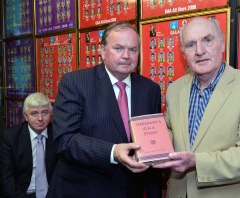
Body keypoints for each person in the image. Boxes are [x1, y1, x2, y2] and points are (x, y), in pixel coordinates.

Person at [153, 17, 240, 198]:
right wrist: (152, 146)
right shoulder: (175, 89)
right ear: (183, 53)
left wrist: (197, 162)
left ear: (222, 44)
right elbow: (171, 130)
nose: (199, 51)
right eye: (190, 45)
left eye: (207, 40)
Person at [47, 22, 162, 198]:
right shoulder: (75, 83)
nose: (126, 56)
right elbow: (65, 140)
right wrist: (113, 152)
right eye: (118, 48)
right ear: (102, 50)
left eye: (133, 50)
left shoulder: (150, 90)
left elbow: (152, 152)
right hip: (83, 191)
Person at [0, 92, 58, 198]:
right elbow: (6, 181)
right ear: (25, 116)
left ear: (51, 114)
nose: (40, 118)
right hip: (23, 194)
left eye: (45, 112)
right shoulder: (10, 137)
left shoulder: (59, 134)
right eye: (34, 113)